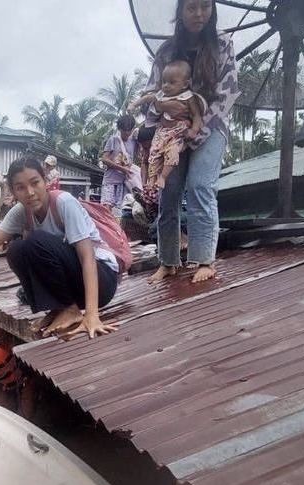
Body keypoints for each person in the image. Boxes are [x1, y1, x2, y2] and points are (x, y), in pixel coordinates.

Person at [134, 0, 239, 284]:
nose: (199, 14)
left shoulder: (222, 44)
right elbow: (150, 98)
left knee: (200, 187)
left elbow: (227, 95)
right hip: (169, 133)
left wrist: (194, 132)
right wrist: (166, 109)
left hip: (209, 127)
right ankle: (168, 261)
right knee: (168, 194)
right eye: (192, 8)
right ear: (180, 12)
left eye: (205, 7)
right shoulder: (166, 51)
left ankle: (204, 259)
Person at [0, 156, 119, 340]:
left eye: (35, 183)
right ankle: (61, 308)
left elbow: (87, 258)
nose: (30, 192)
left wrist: (92, 315)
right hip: (76, 288)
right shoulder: (20, 212)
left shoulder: (64, 202)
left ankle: (71, 309)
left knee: (35, 240)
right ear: (13, 192)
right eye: (21, 188)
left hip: (102, 281)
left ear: (45, 181)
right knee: (16, 250)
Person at [129, 60, 205, 210]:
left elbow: (197, 116)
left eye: (171, 82)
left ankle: (163, 176)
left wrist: (193, 131)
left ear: (185, 84)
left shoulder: (189, 98)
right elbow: (148, 98)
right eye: (164, 82)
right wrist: (134, 105)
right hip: (162, 131)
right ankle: (151, 184)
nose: (166, 85)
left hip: (177, 133)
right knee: (153, 155)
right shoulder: (162, 95)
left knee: (172, 152)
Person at [99, 115, 140, 211]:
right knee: (107, 209)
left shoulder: (134, 142)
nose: (127, 133)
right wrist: (122, 169)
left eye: (129, 130)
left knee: (125, 209)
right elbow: (104, 159)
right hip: (111, 180)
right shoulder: (113, 140)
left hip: (125, 182)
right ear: (119, 129)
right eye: (124, 130)